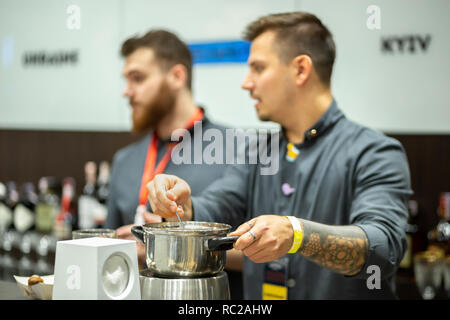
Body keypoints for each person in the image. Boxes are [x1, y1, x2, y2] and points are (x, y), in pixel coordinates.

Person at [146, 12, 413, 299]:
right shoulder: (258, 153)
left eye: (258, 68)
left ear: (301, 69)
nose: (246, 83)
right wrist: (183, 207)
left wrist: (297, 234)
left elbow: (383, 249)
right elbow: (219, 204)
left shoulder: (375, 152)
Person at [104, 30, 243, 298]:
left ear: (177, 77)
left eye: (138, 78)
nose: (127, 91)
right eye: (126, 80)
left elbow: (265, 254)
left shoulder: (238, 151)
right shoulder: (124, 160)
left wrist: (165, 248)